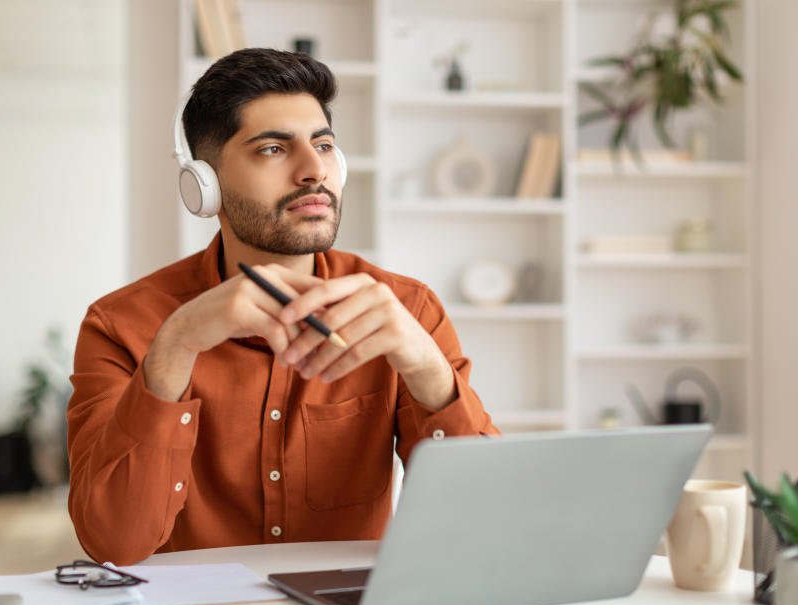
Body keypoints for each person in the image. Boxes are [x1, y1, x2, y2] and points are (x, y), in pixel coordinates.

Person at [67, 48, 499, 565]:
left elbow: (481, 529)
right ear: (204, 186)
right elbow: (113, 543)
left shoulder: (408, 311)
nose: (313, 170)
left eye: (323, 145)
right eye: (273, 149)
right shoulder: (120, 326)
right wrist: (176, 346)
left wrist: (427, 367)